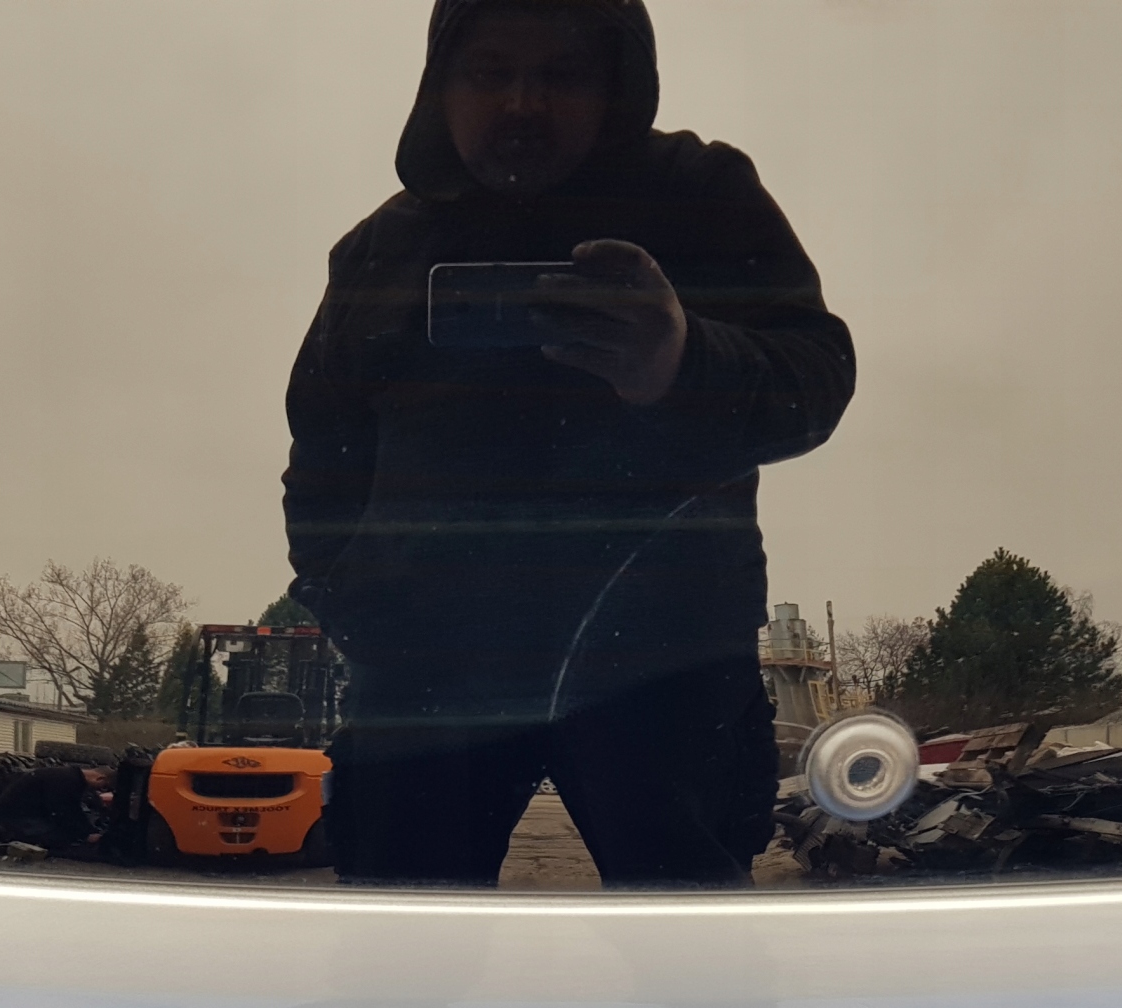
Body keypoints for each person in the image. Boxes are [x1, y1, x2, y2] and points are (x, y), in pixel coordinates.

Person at [283, 0, 854, 886]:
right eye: (491, 72)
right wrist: (356, 604)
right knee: (399, 947)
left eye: (561, 74)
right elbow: (321, 457)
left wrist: (682, 360)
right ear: (441, 83)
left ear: (614, 83)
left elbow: (818, 377)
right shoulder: (375, 253)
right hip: (428, 678)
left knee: (690, 946)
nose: (523, 103)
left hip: (663, 670)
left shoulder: (703, 198)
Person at [0, 760, 116, 860]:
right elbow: (61, 812)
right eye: (103, 786)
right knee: (59, 840)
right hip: (16, 817)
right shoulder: (66, 781)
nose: (99, 790)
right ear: (99, 778)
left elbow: (72, 809)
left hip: (21, 813)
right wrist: (85, 834)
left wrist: (89, 830)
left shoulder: (68, 776)